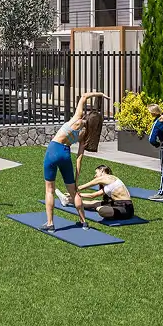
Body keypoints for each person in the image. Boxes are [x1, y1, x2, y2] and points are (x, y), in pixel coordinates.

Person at [42, 90, 105, 231]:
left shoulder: (76, 120)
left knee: (49, 190)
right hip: (65, 154)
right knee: (74, 192)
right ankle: (83, 222)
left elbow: (84, 96)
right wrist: (76, 178)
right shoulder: (86, 135)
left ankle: (50, 224)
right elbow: (79, 158)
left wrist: (100, 94)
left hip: (53, 150)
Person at [57, 164, 134, 220]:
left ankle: (111, 214)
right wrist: (76, 195)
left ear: (102, 171)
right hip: (115, 204)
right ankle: (66, 200)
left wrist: (74, 189)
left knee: (100, 209)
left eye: (96, 173)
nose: (95, 176)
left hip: (126, 208)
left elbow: (84, 186)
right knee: (94, 202)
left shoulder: (107, 177)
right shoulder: (109, 184)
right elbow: (92, 195)